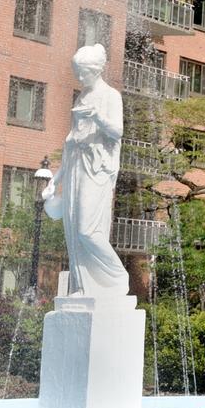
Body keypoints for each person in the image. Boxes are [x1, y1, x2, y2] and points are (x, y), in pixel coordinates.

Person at [41, 44, 129, 298]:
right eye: (76, 72)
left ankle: (117, 276)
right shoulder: (81, 98)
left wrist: (97, 116)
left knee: (87, 230)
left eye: (83, 72)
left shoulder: (110, 96)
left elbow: (117, 132)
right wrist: (56, 179)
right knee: (73, 233)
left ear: (96, 70)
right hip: (75, 167)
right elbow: (71, 142)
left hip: (96, 169)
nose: (79, 77)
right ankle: (82, 287)